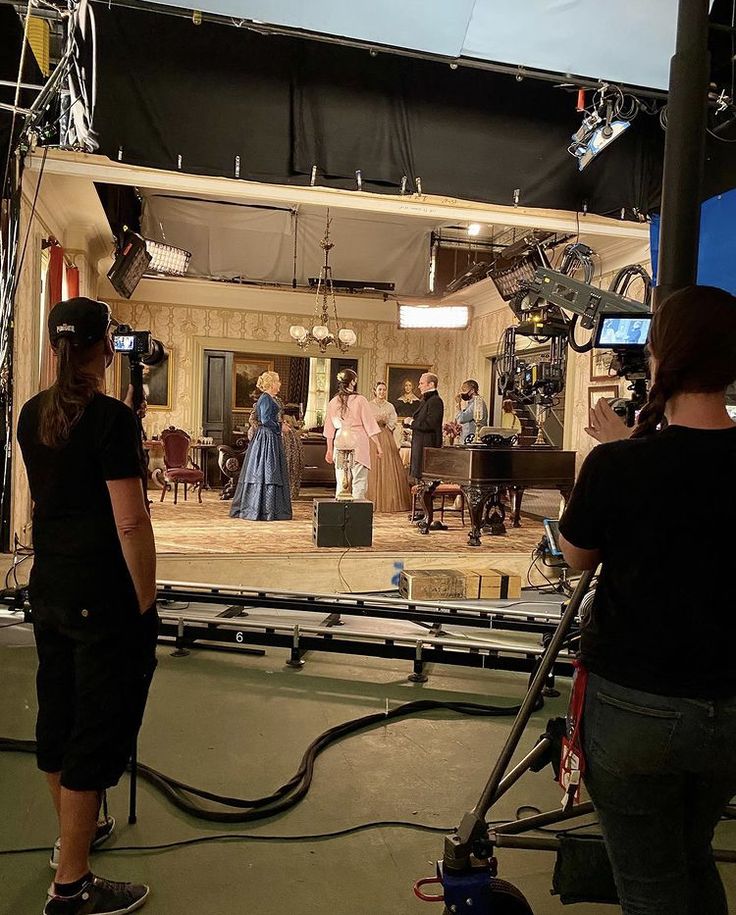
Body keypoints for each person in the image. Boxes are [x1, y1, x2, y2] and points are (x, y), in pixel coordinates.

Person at [557, 286, 736, 915]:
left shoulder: (620, 465)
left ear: (660, 357)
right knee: (693, 853)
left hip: (637, 706)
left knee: (651, 886)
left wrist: (614, 451)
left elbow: (577, 556)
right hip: (729, 707)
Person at [17, 297, 158, 915]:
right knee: (96, 732)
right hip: (101, 597)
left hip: (49, 588)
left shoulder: (29, 415)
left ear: (55, 349)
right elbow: (131, 523)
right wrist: (146, 602)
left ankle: (71, 839)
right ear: (104, 349)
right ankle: (71, 887)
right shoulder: (110, 420)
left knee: (59, 719)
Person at [230, 371, 292, 521]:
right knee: (268, 471)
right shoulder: (265, 398)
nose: (279, 384)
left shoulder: (271, 398)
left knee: (271, 471)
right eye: (277, 381)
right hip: (266, 437)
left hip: (271, 437)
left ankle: (271, 510)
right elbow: (264, 420)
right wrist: (280, 427)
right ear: (271, 383)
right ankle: (262, 510)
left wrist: (281, 425)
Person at [324, 369, 382, 500]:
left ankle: (339, 512)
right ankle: (357, 512)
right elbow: (369, 424)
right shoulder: (360, 400)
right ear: (353, 382)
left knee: (341, 481)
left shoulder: (333, 402)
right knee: (359, 479)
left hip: (340, 440)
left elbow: (329, 429)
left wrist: (329, 449)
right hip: (358, 441)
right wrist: (378, 445)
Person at [366, 381, 411, 512]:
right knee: (372, 466)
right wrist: (375, 422)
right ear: (375, 391)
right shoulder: (368, 405)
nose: (382, 392)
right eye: (380, 390)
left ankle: (390, 500)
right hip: (372, 436)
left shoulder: (390, 406)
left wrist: (386, 423)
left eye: (384, 390)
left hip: (385, 435)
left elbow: (393, 421)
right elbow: (366, 421)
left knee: (389, 464)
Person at [409, 372, 444, 482]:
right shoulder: (427, 400)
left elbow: (430, 424)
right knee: (420, 481)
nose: (419, 386)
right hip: (421, 445)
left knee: (426, 482)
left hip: (427, 446)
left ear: (431, 384)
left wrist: (412, 423)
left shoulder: (435, 401)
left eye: (421, 383)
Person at [281, 404, 305, 502]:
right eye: (284, 422)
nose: (286, 423)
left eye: (288, 422)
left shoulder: (293, 433)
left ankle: (292, 493)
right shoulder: (280, 434)